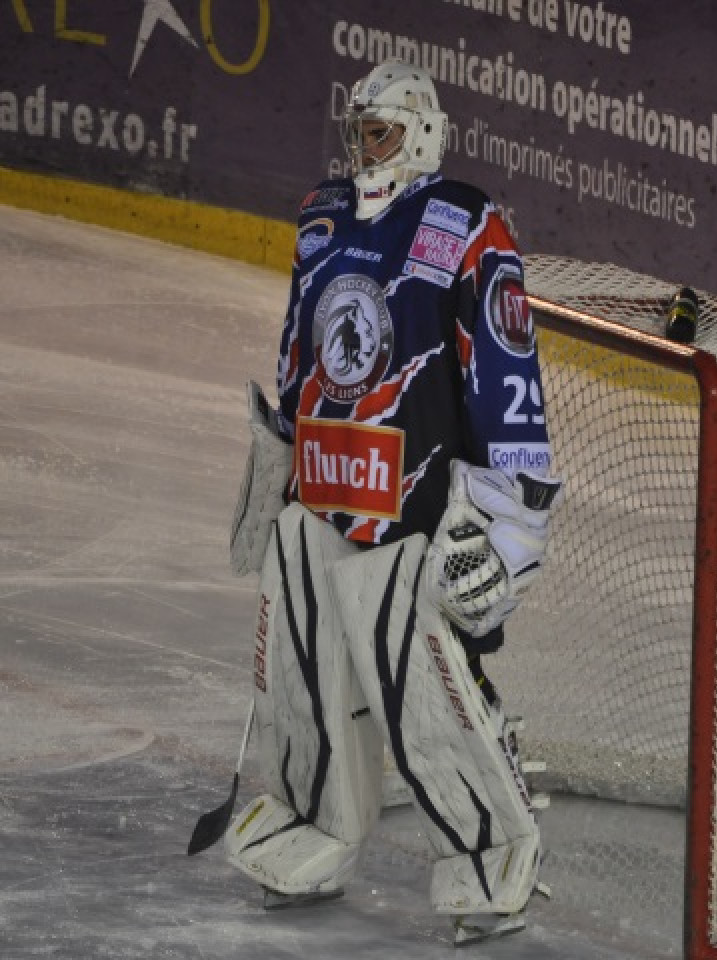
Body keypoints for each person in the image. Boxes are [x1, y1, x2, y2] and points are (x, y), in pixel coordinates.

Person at [223, 60, 562, 945]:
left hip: (404, 514)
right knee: (304, 692)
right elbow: (301, 348)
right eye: (357, 131)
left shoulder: (465, 223)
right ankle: (310, 825)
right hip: (321, 497)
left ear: (420, 133)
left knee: (425, 711)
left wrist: (510, 519)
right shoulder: (322, 218)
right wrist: (275, 465)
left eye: (379, 131)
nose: (362, 147)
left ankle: (491, 862)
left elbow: (505, 370)